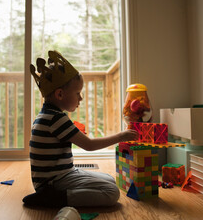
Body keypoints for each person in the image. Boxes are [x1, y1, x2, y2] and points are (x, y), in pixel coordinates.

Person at [23, 50, 139, 207]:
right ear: (59, 94)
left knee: (110, 180)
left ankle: (55, 194)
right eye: (78, 93)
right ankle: (54, 198)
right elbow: (89, 145)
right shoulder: (56, 118)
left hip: (61, 174)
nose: (81, 98)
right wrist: (120, 137)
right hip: (54, 181)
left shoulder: (47, 115)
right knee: (112, 192)